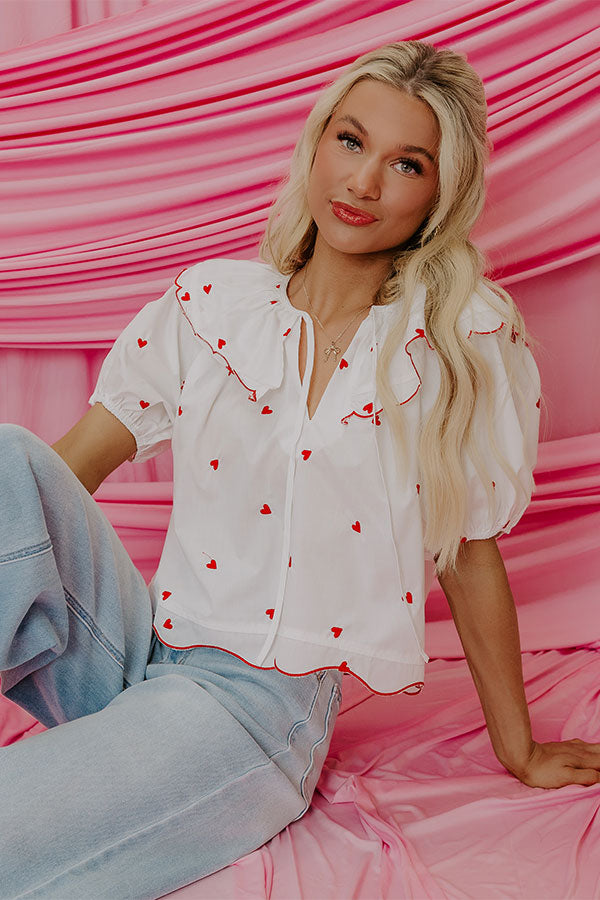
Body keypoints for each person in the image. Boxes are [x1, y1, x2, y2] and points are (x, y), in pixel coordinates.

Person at [1, 38, 599, 900]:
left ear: (441, 193)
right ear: (317, 143)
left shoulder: (460, 339)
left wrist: (521, 747)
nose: (362, 183)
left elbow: (469, 553)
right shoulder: (212, 305)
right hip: (140, 653)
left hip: (255, 716)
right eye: (350, 142)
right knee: (11, 459)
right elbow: (58, 481)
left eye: (406, 163)